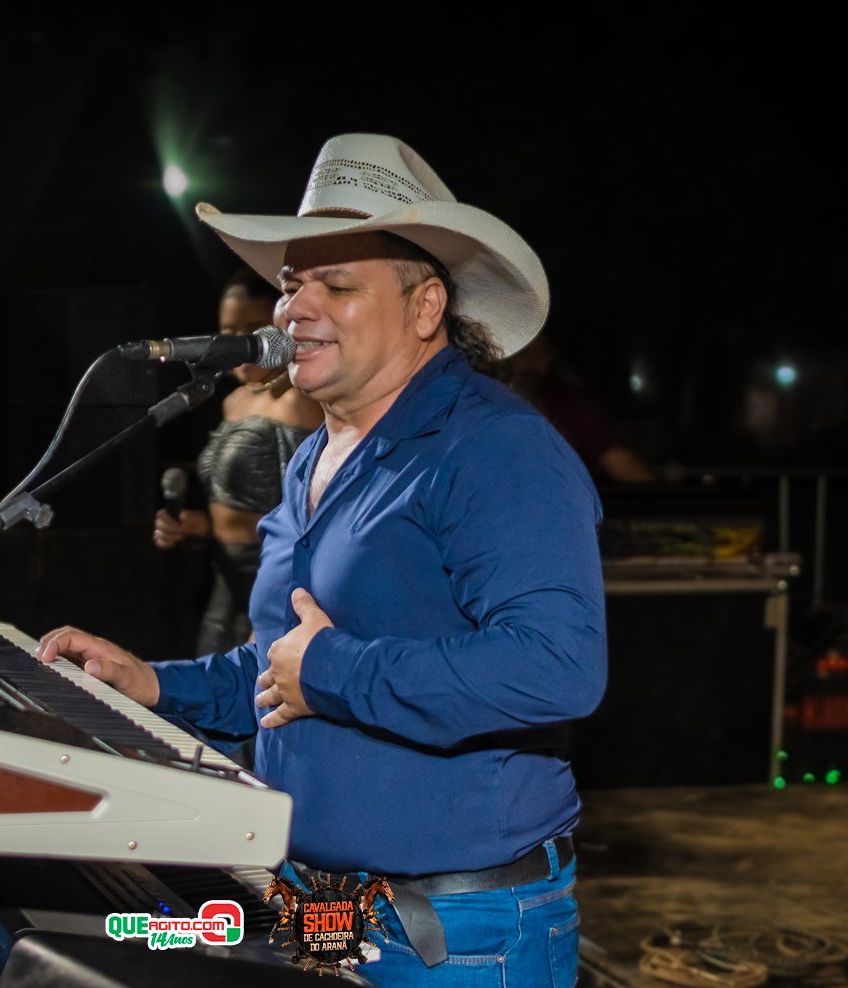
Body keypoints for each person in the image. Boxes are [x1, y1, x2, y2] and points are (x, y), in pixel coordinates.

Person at [38, 133, 607, 986]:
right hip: (324, 911)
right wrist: (154, 688)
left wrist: (333, 670)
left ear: (425, 309)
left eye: (336, 284)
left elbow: (558, 669)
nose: (294, 308)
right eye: (291, 283)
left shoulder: (495, 449)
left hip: (457, 935)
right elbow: (282, 669)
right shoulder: (314, 457)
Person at [153, 269, 323, 656]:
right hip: (222, 583)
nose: (240, 343)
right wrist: (195, 525)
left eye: (253, 328)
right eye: (228, 332)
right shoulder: (234, 401)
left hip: (277, 582)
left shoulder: (305, 398)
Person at [500, 330, 659, 483]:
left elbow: (625, 467)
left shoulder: (571, 403)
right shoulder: (489, 402)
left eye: (540, 352)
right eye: (523, 353)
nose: (532, 361)